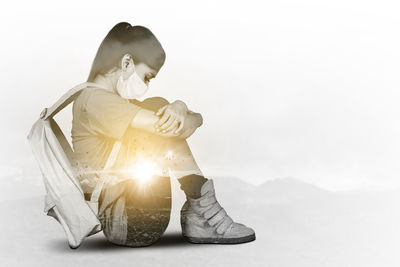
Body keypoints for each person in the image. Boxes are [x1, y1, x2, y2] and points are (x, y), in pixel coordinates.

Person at [72, 22, 255, 246]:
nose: (146, 85)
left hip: (136, 216)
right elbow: (176, 129)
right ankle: (203, 211)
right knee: (159, 119)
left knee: (156, 107)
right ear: (127, 62)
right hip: (126, 222)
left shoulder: (105, 100)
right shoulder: (96, 101)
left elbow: (184, 124)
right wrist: (185, 112)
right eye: (147, 77)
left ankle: (200, 209)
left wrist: (180, 107)